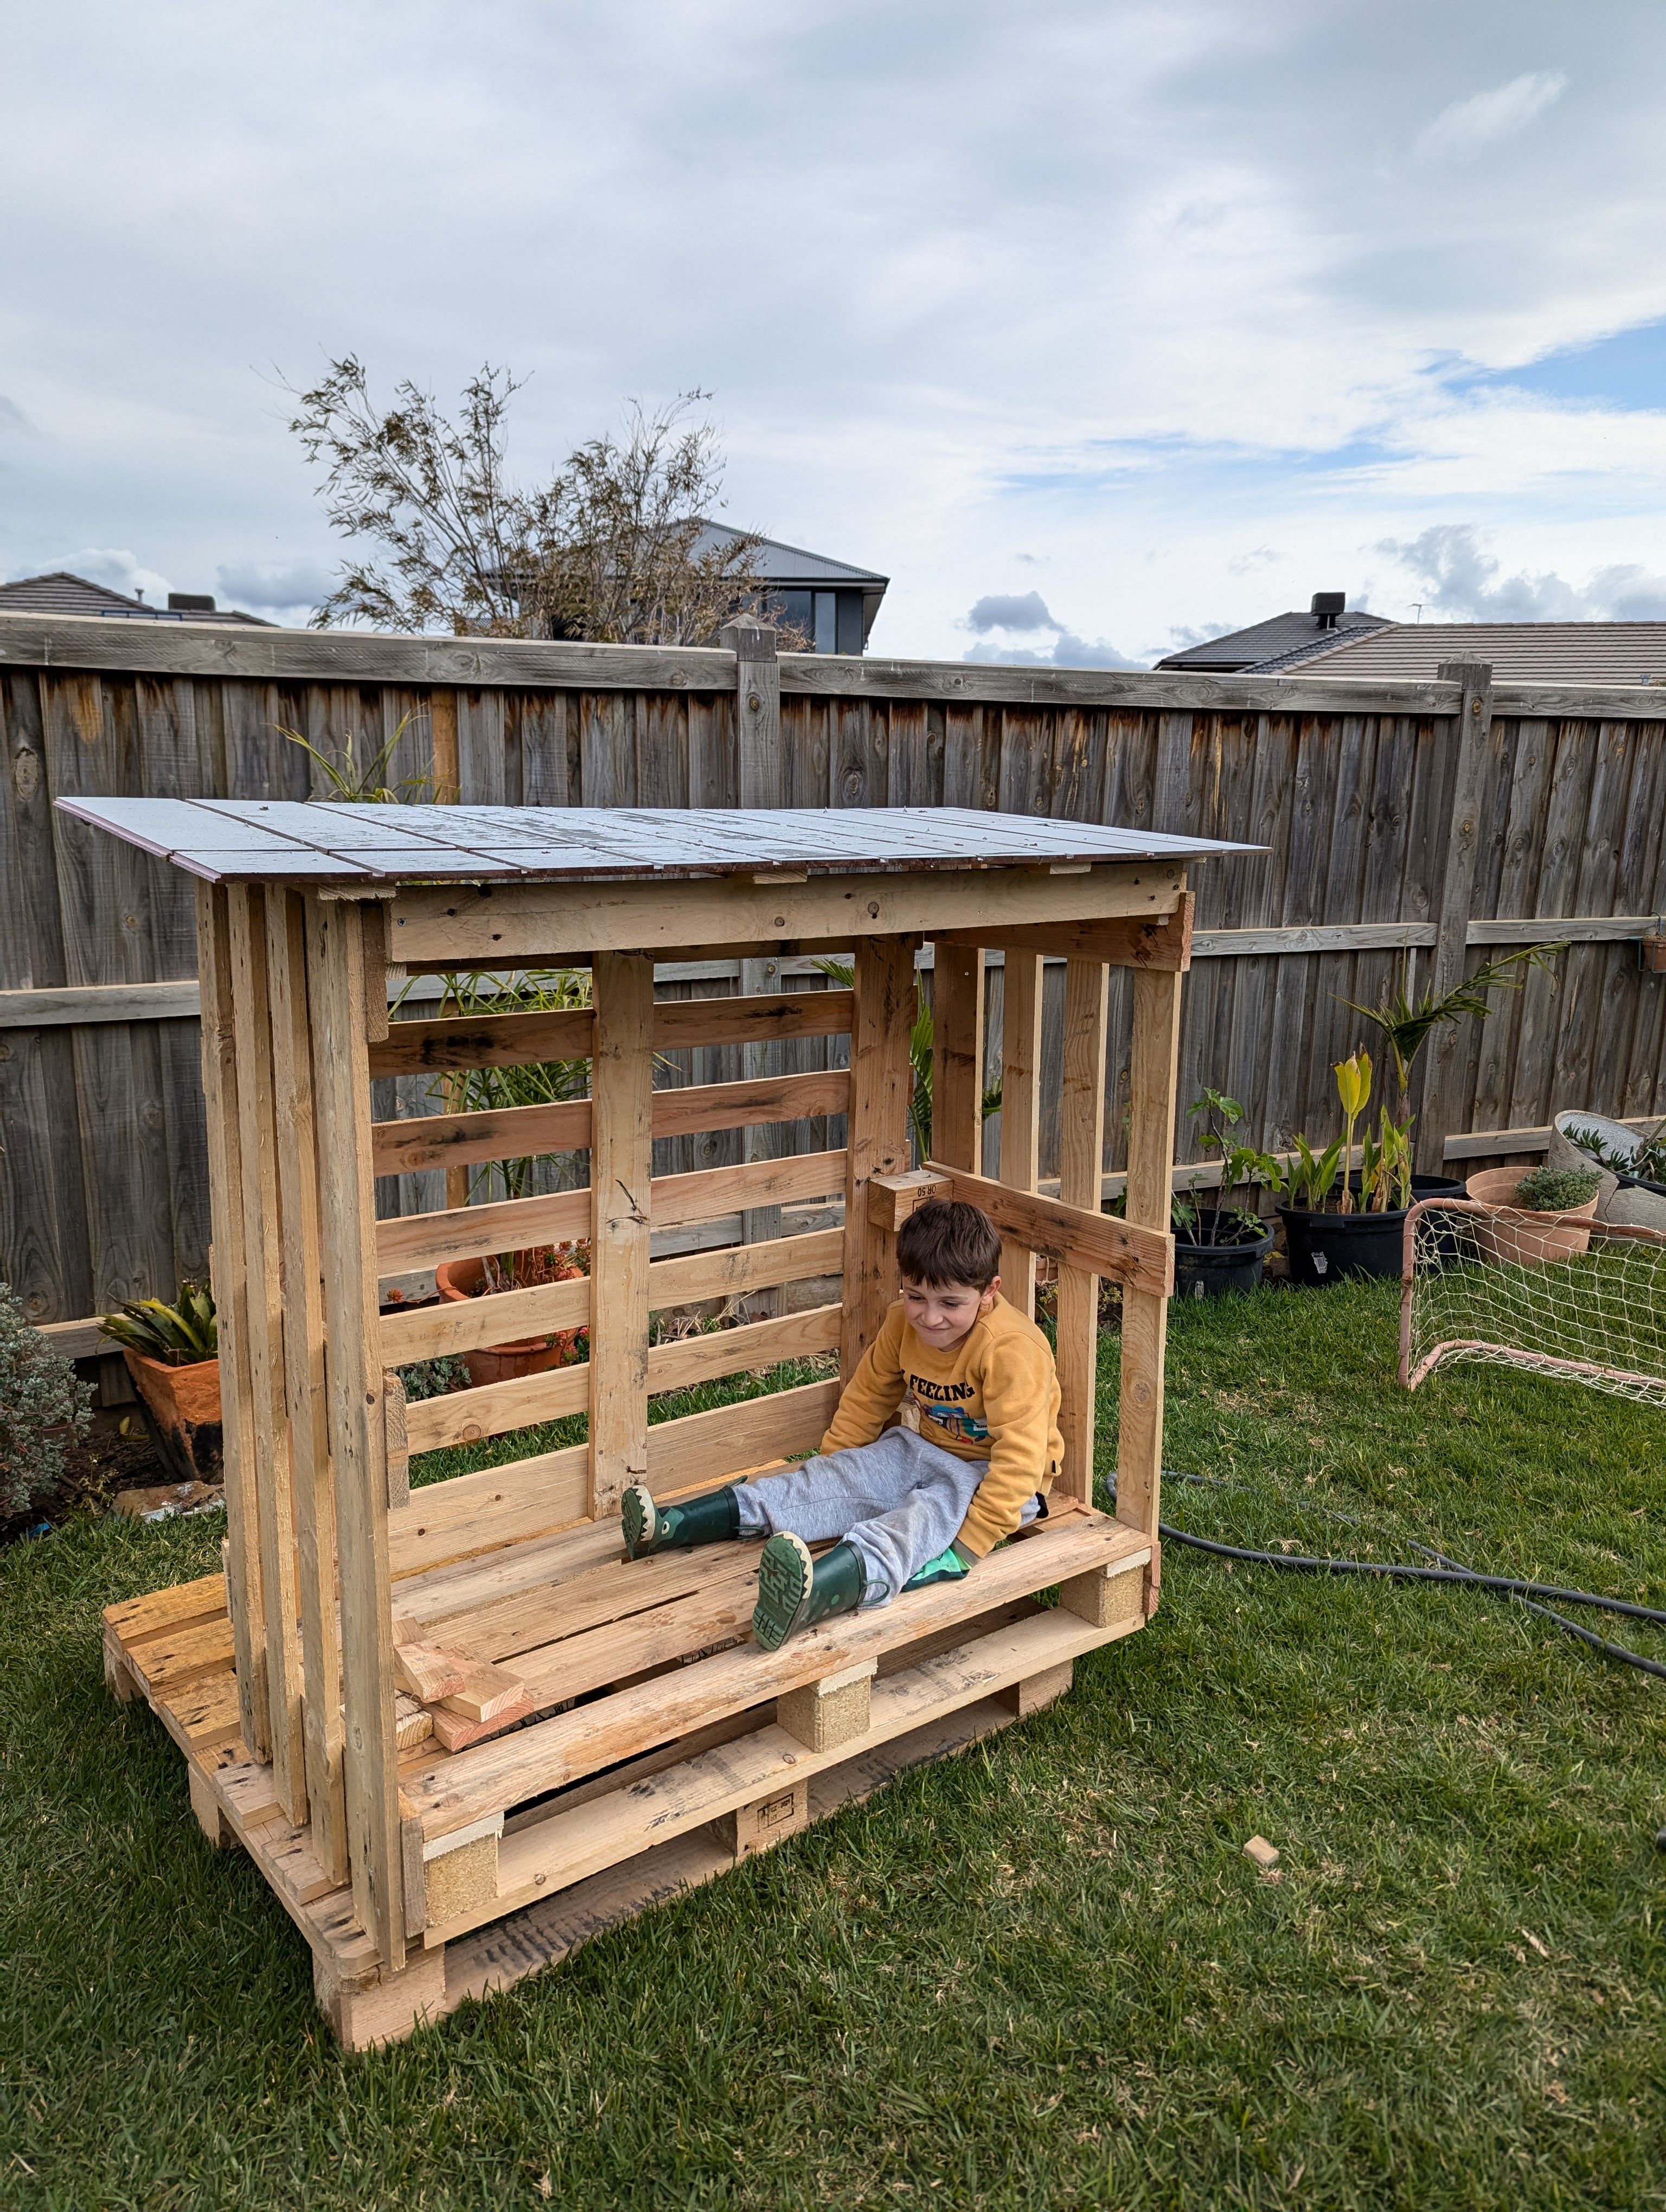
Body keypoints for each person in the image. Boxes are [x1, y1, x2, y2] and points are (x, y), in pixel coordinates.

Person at [620, 1199, 1063, 1651]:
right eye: (916, 1298)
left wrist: (967, 1545)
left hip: (998, 1480)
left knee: (923, 1517)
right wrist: (835, 1475)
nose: (930, 1318)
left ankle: (813, 1597)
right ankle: (672, 1526)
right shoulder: (900, 1325)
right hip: (924, 1450)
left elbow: (1022, 1458)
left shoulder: (1011, 1349)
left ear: (989, 1292)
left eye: (951, 1303)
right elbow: (867, 1399)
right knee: (818, 1481)